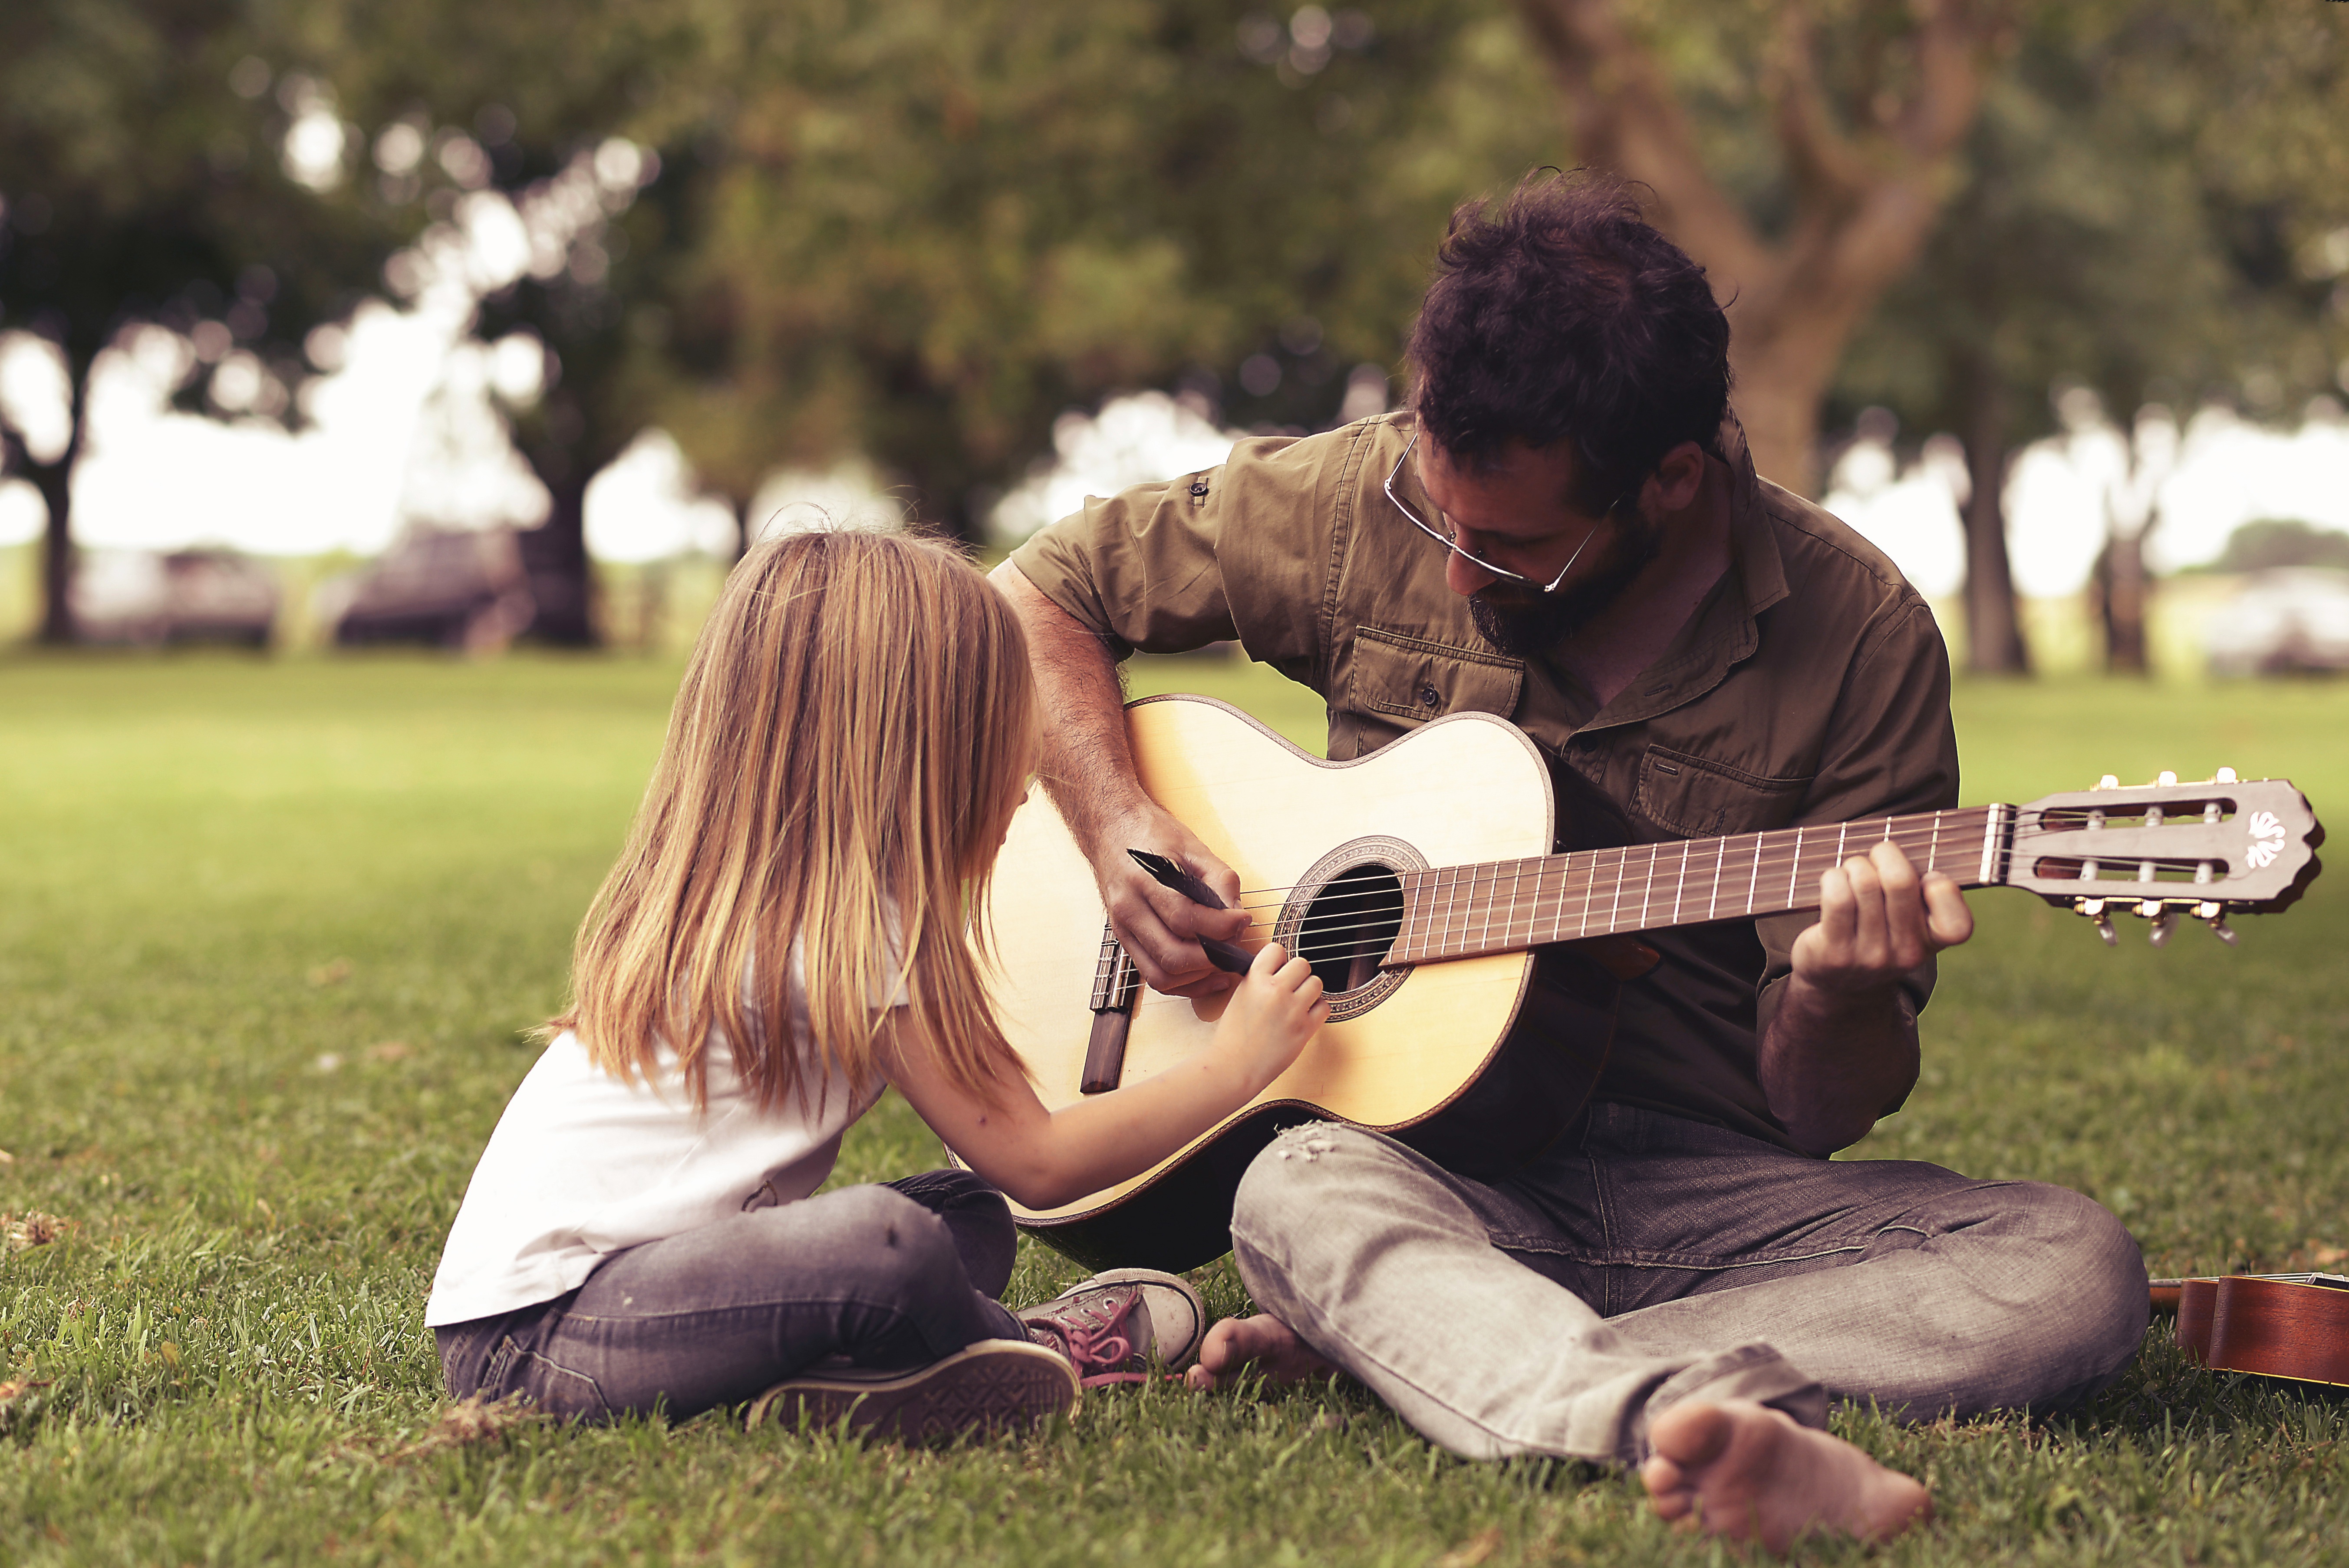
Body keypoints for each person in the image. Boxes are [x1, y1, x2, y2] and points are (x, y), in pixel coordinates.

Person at [991, 173, 2147, 1548]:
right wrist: (1118, 814)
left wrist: (1841, 992)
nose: (1464, 574)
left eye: (1518, 550)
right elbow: (1038, 590)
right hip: (1416, 1159)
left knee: (2075, 1269)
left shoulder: (1862, 640)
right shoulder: (1358, 499)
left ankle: (1446, 1344)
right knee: (1291, 1187)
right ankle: (1626, 1401)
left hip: (1705, 1186)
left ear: (1670, 479)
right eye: (1441, 523)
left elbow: (1825, 1108)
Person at [426, 528, 1330, 1443]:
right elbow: (1040, 1162)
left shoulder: (767, 898)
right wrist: (1233, 1066)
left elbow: (998, 1175)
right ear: (922, 747)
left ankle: (863, 1375)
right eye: (1002, 712)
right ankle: (1036, 1353)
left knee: (963, 1215)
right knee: (886, 1246)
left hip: (576, 1310)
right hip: (544, 1340)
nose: (1027, 758)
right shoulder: (860, 931)